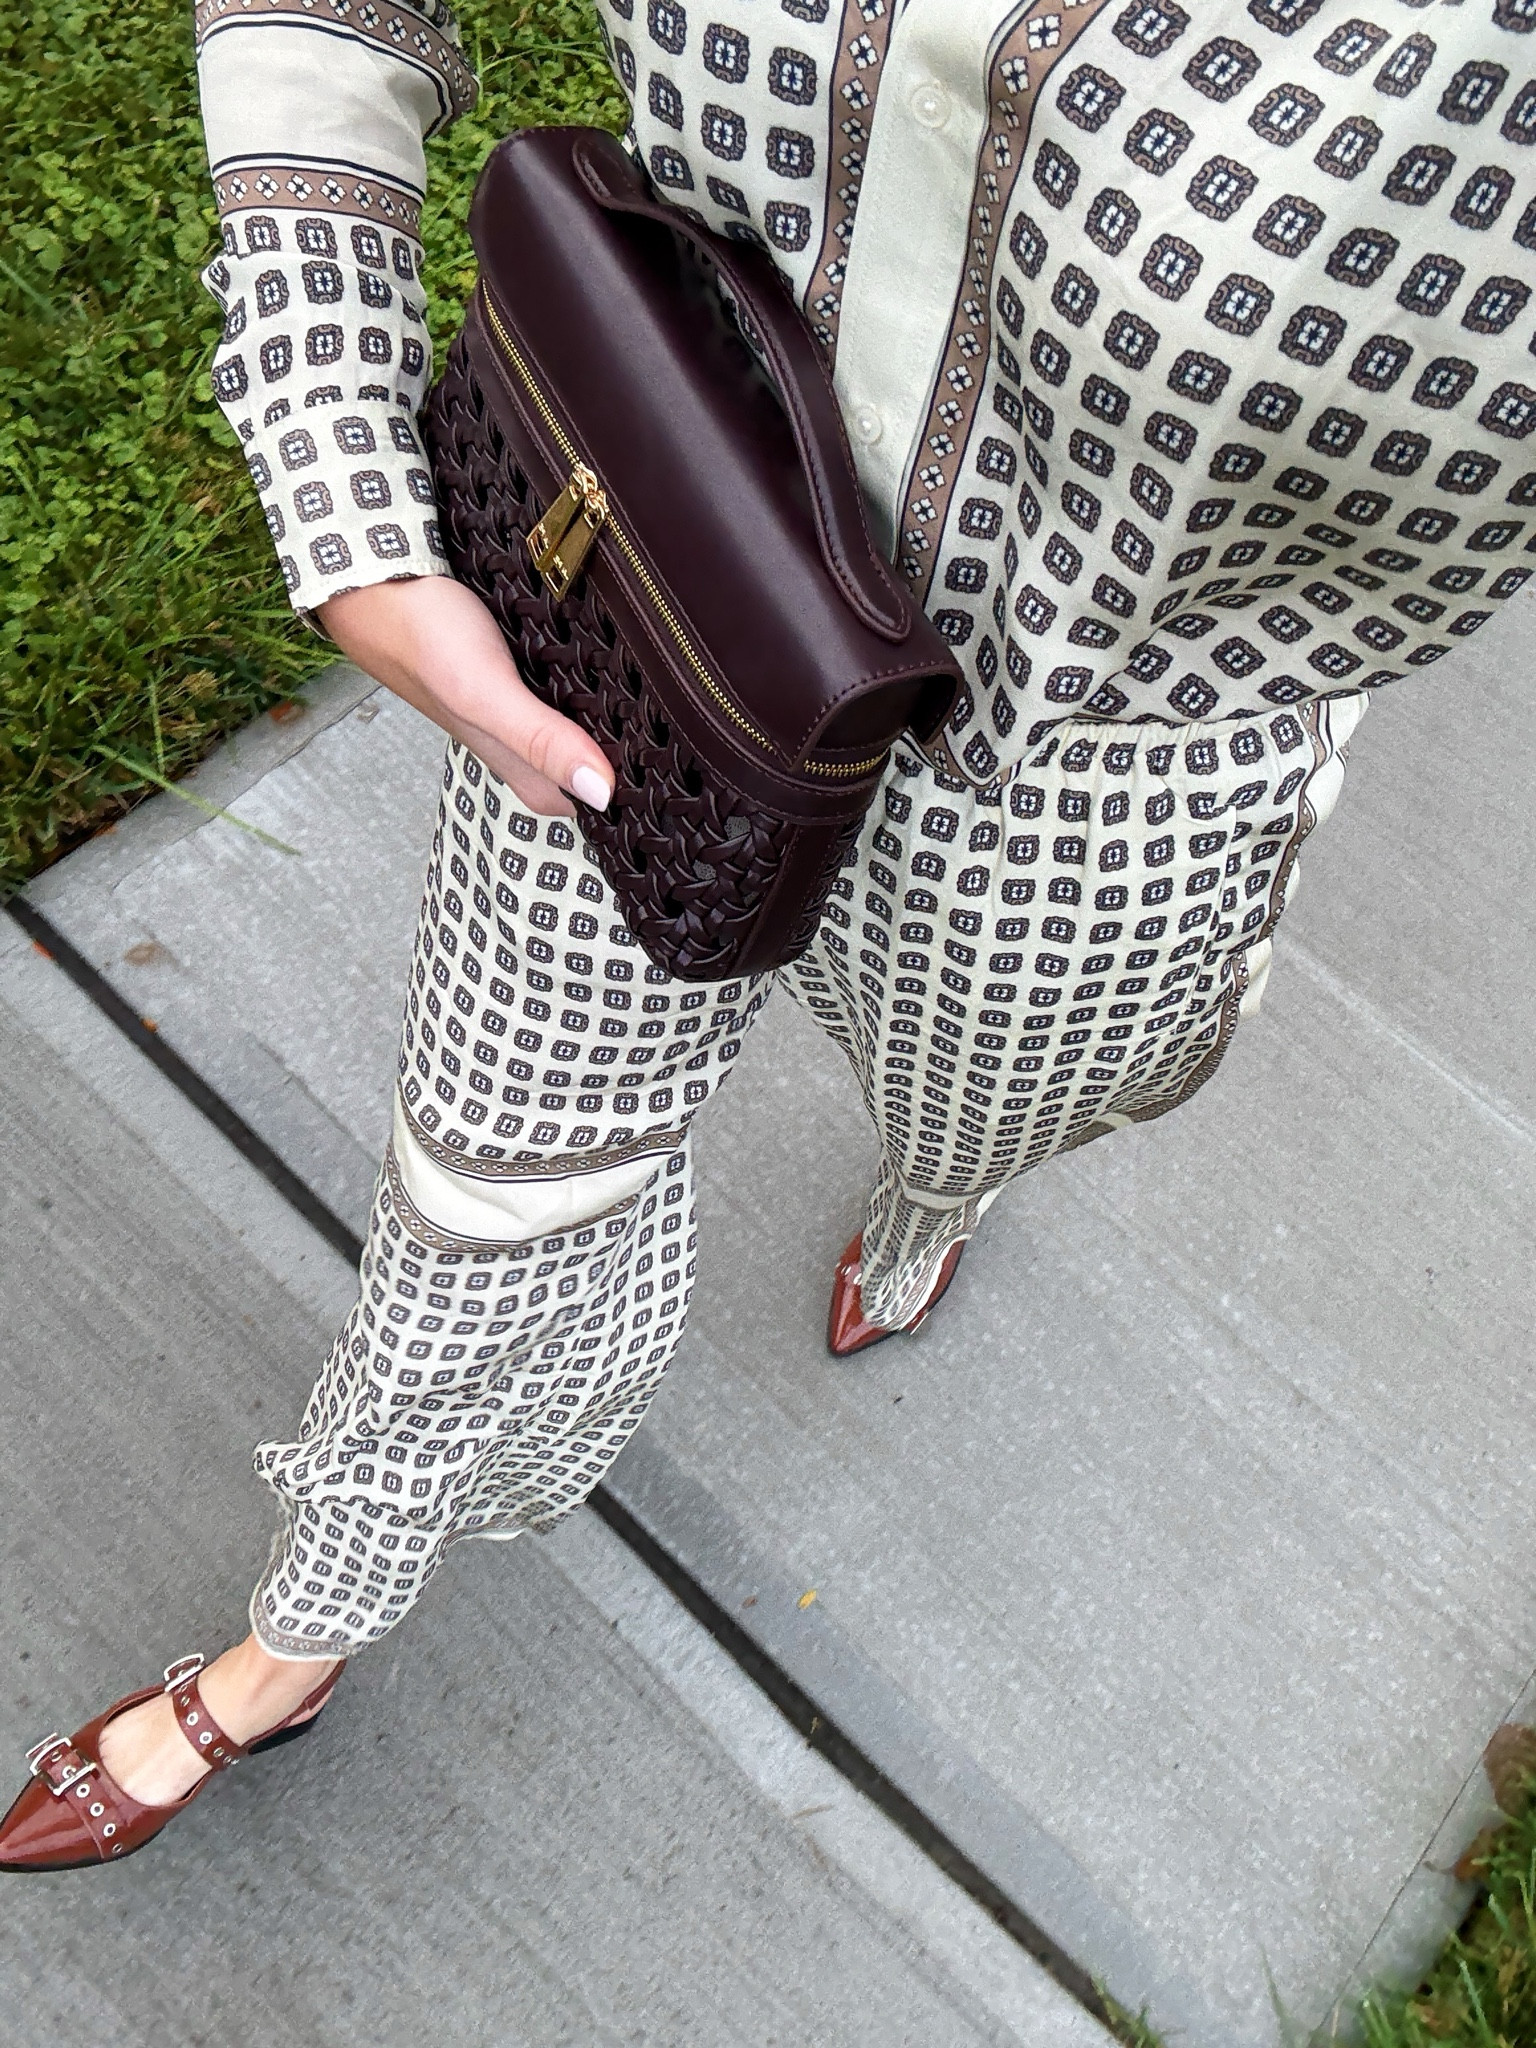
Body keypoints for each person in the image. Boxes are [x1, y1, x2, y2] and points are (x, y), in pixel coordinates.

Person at [6, 0, 1533, 1869]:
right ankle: (295, 1640)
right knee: (482, 1199)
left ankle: (932, 1204)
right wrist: (333, 435)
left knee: (980, 1109)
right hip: (641, 599)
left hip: (1113, 765)